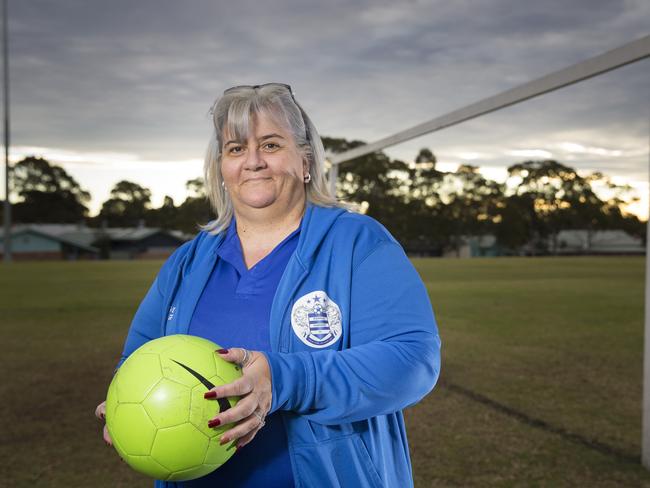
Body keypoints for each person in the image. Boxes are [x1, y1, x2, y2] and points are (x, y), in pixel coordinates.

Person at [95, 83, 441, 488]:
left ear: (306, 159)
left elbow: (413, 361)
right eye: (236, 148)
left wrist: (284, 378)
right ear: (221, 166)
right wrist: (129, 403)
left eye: (271, 145)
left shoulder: (359, 244)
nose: (253, 162)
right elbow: (138, 358)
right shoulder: (187, 263)